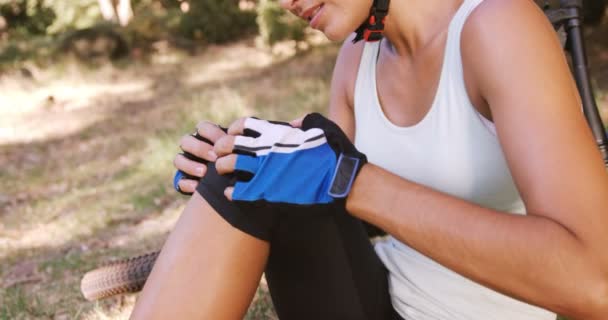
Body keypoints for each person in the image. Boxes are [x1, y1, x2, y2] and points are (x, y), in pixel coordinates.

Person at [130, 0, 608, 319]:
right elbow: (340, 212)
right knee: (252, 171)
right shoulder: (358, 56)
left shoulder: (498, 25)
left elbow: (595, 281)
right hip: (378, 298)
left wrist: (350, 179)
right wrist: (241, 159)